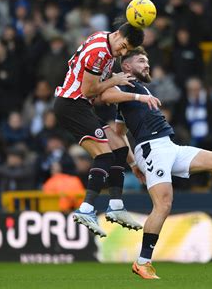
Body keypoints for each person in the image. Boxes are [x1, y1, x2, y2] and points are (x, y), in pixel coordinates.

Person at [100, 47, 212, 279]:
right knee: (163, 205)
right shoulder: (126, 86)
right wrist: (138, 100)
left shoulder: (135, 90)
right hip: (152, 149)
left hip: (168, 146)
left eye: (147, 60)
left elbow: (118, 131)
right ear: (126, 66)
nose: (147, 64)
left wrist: (133, 164)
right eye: (141, 61)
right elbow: (105, 96)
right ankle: (142, 262)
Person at [53, 22, 161, 237]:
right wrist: (117, 81)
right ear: (118, 34)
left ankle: (116, 205)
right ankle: (86, 209)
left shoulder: (105, 42)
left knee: (119, 148)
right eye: (123, 46)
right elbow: (89, 90)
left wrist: (133, 163)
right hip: (71, 104)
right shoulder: (100, 52)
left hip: (81, 106)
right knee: (103, 155)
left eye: (126, 50)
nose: (122, 52)